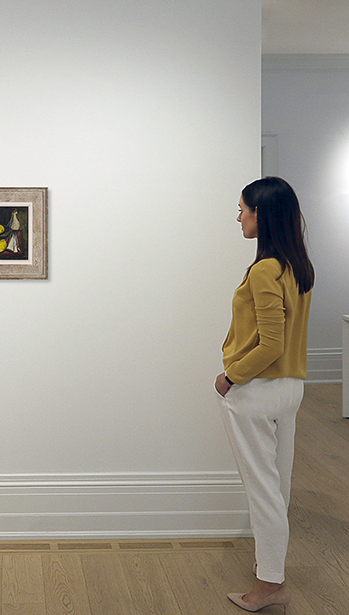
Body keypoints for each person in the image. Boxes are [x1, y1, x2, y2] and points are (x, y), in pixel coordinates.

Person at [215, 176, 314, 614]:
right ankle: (271, 573)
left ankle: (269, 585)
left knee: (263, 492)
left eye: (242, 209)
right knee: (279, 487)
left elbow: (270, 343)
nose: (238, 216)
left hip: (257, 391)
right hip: (290, 389)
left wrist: (231, 376)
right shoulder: (297, 266)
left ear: (262, 214)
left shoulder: (264, 269)